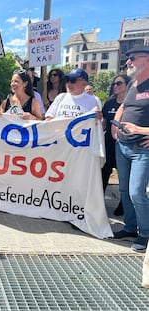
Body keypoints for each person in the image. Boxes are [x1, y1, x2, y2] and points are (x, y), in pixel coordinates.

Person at [110, 45, 149, 253]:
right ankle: (130, 227)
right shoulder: (133, 83)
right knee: (124, 190)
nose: (128, 62)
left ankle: (145, 233)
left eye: (132, 58)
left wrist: (144, 131)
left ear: (147, 60)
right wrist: (115, 124)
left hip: (142, 149)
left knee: (136, 192)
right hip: (123, 146)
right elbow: (123, 107)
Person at [101, 74, 131, 216]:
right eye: (114, 84)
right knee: (104, 172)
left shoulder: (131, 104)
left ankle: (123, 204)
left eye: (119, 83)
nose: (115, 86)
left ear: (127, 85)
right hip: (108, 144)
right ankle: (99, 201)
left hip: (124, 145)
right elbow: (104, 124)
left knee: (123, 177)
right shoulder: (109, 103)